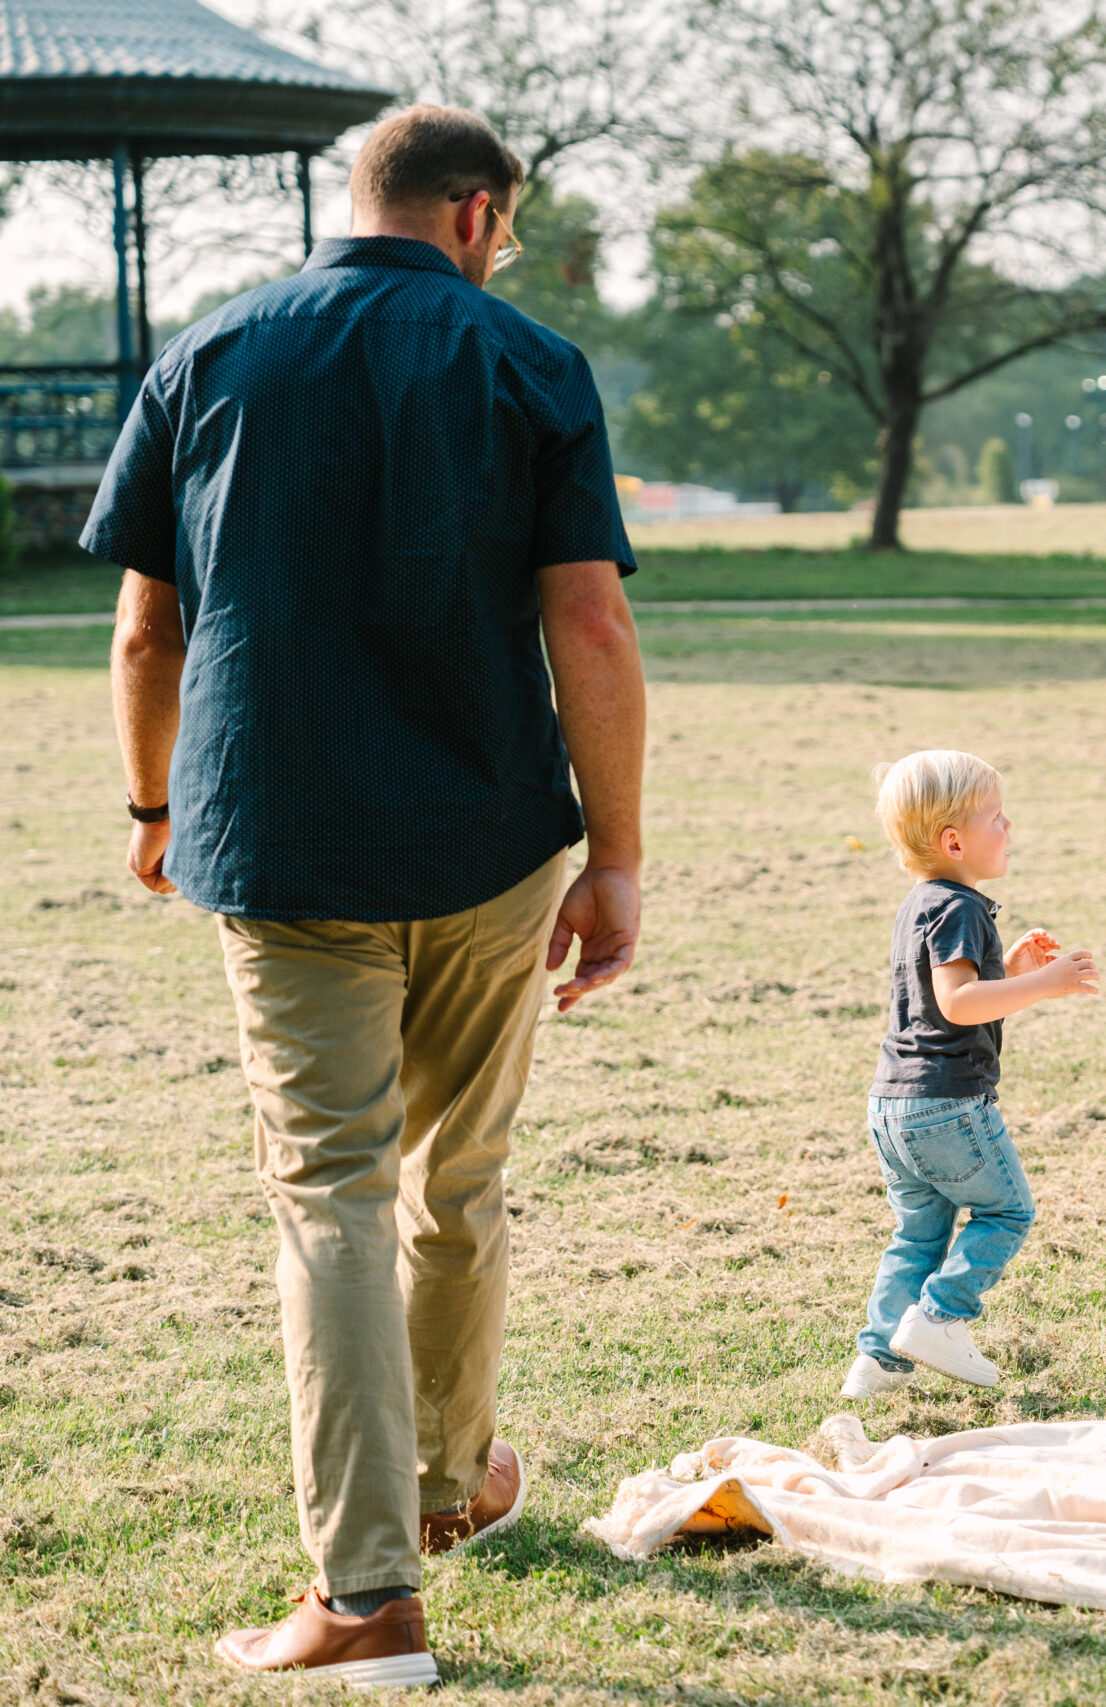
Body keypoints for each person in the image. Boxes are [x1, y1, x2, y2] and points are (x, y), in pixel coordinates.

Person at [84, 105, 645, 1686]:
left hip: (284, 841)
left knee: (330, 1189)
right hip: (489, 837)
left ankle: (368, 1588)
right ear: (474, 214)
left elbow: (145, 630)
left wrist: (151, 802)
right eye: (510, 230)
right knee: (455, 1175)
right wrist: (618, 854)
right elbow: (590, 628)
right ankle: (450, 1485)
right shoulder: (529, 363)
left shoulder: (209, 354)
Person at [843, 750, 1101, 1399]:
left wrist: (1007, 971)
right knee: (1008, 1210)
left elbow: (946, 999)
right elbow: (958, 1005)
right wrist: (1043, 983)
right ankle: (940, 1317)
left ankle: (877, 1364)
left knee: (917, 1234)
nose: (1009, 825)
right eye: (996, 817)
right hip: (949, 1104)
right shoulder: (960, 908)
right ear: (953, 840)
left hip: (892, 1103)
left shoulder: (920, 904)